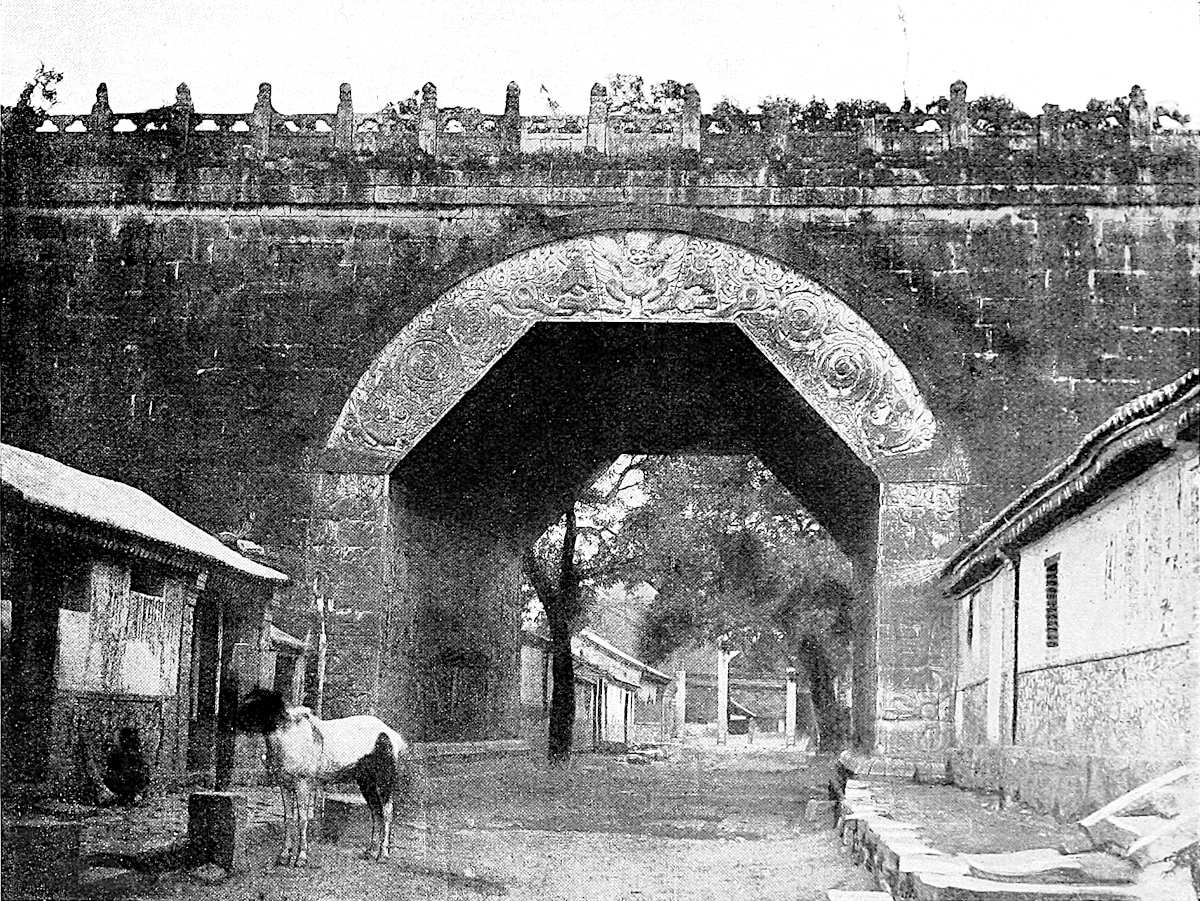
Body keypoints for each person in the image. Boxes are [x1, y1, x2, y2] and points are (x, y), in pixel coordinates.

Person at [103, 726, 149, 805]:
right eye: (128, 740)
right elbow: (109, 771)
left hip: (129, 786)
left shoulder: (137, 756)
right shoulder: (117, 755)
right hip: (122, 786)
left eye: (132, 740)